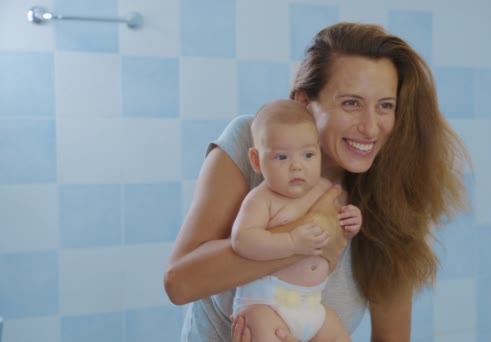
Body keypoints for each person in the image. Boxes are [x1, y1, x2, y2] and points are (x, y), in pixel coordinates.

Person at [164, 22, 469, 342]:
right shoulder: (254, 144)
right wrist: (314, 232)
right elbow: (180, 282)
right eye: (351, 103)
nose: (370, 127)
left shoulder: (390, 200)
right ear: (304, 103)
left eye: (384, 106)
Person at [230, 99, 361, 341]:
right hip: (266, 304)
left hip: (313, 306)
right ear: (257, 161)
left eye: (308, 155)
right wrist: (291, 242)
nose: (297, 166)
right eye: (282, 157)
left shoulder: (325, 190)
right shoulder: (262, 200)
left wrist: (351, 223)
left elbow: (335, 236)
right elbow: (242, 239)